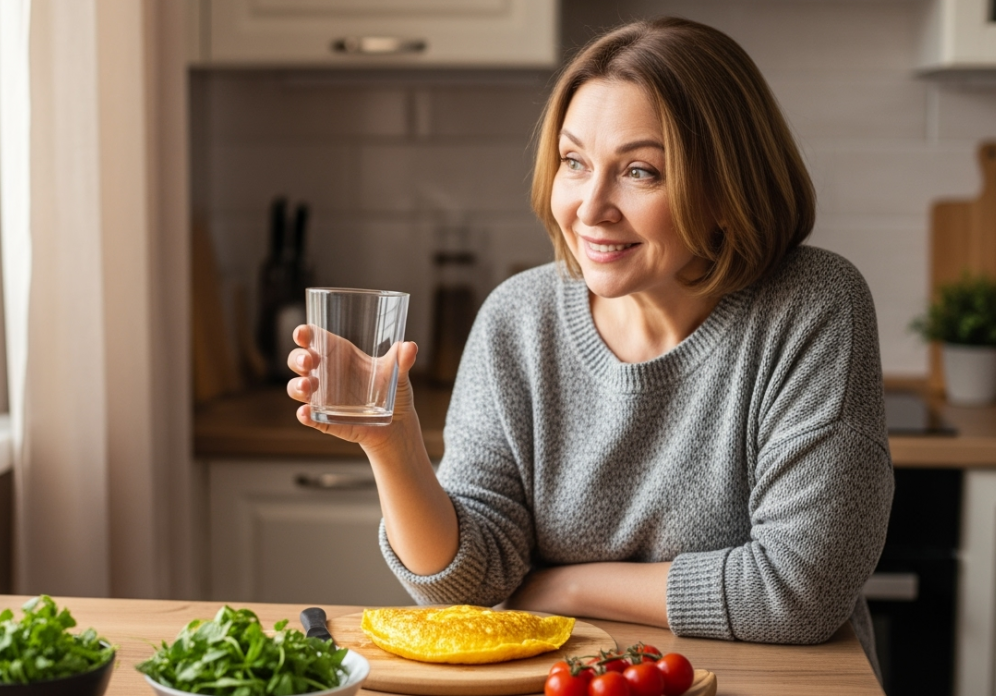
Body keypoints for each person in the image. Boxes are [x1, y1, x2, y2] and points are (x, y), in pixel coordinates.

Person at [286, 16, 893, 670]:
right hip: (566, 681)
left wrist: (563, 587)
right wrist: (394, 445)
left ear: (726, 188)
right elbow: (468, 586)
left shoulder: (811, 304)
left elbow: (798, 593)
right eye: (575, 162)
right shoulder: (519, 318)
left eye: (639, 171)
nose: (590, 206)